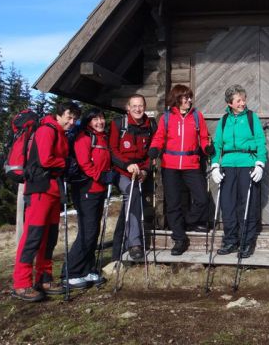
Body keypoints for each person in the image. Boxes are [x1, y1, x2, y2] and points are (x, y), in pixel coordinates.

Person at [11, 101, 81, 302]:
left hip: (52, 190)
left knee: (49, 238)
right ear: (59, 114)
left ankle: (44, 277)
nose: (72, 121)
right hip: (40, 190)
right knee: (33, 237)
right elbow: (45, 160)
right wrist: (66, 164)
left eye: (75, 118)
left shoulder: (59, 132)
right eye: (69, 117)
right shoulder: (47, 130)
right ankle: (21, 283)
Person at [148, 85, 212, 255]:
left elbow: (204, 137)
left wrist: (207, 148)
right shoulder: (167, 117)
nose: (189, 100)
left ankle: (187, 221)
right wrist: (154, 149)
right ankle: (179, 238)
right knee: (173, 203)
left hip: (191, 164)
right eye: (186, 97)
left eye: (190, 97)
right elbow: (159, 137)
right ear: (178, 98)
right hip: (170, 166)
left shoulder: (197, 116)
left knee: (202, 198)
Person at [210, 85, 267, 258]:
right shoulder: (224, 120)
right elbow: (217, 144)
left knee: (247, 205)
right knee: (228, 205)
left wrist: (260, 164)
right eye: (238, 100)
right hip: (227, 165)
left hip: (247, 165)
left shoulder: (252, 117)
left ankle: (246, 242)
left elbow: (260, 141)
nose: (242, 103)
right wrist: (214, 165)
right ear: (230, 103)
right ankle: (230, 241)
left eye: (243, 99)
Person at [62, 108, 116, 289]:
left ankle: (87, 269)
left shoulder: (102, 138)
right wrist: (101, 176)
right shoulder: (83, 138)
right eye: (96, 119)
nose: (100, 122)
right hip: (86, 188)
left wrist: (110, 175)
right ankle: (70, 273)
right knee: (87, 231)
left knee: (93, 231)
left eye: (101, 118)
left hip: (98, 189)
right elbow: (84, 163)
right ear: (88, 122)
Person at [109, 95, 156, 260]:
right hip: (122, 172)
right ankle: (135, 243)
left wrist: (145, 171)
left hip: (141, 172)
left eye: (141, 106)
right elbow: (112, 150)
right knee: (133, 193)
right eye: (134, 106)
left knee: (134, 201)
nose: (138, 109)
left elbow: (152, 151)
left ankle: (122, 246)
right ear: (128, 107)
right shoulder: (118, 124)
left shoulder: (150, 125)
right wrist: (126, 165)